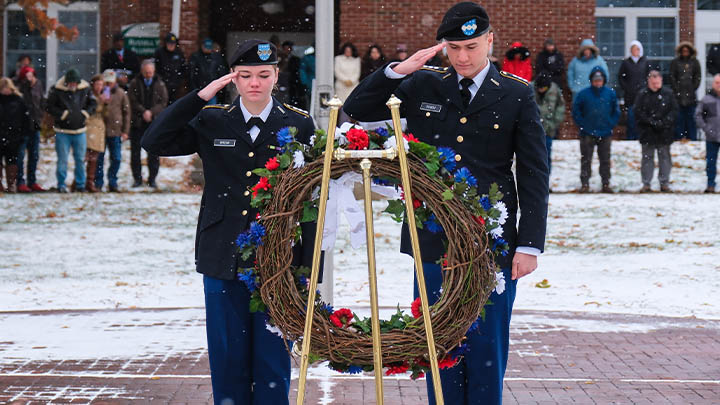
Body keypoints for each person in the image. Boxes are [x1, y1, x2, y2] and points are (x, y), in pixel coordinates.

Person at [343, 3, 549, 404]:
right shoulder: (424, 85)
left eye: (471, 46)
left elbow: (533, 173)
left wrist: (529, 243)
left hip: (492, 242)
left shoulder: (515, 94)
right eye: (454, 47)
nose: (463, 57)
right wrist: (398, 71)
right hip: (432, 237)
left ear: (490, 40)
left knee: (487, 344)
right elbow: (358, 109)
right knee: (439, 344)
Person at [142, 39, 319, 405]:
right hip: (222, 253)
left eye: (263, 75)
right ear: (233, 79)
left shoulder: (299, 124)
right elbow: (154, 140)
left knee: (272, 362)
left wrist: (306, 263)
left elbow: (312, 198)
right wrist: (200, 96)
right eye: (245, 75)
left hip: (277, 258)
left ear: (276, 77)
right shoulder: (212, 119)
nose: (254, 83)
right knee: (227, 360)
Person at [46, 68, 97, 193]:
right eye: (71, 83)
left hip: (80, 131)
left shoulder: (85, 89)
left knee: (80, 160)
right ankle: (61, 184)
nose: (73, 85)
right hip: (62, 131)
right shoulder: (56, 90)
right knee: (62, 160)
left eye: (75, 83)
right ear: (66, 82)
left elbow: (93, 104)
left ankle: (80, 184)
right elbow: (49, 106)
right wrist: (63, 114)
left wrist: (85, 113)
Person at [572, 67, 620, 193]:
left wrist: (610, 124)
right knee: (586, 159)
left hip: (605, 132)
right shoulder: (583, 94)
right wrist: (583, 125)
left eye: (600, 80)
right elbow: (576, 111)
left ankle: (605, 183)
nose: (598, 82)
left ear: (603, 81)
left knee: (605, 160)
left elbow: (616, 112)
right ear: (591, 81)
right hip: (587, 133)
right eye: (595, 80)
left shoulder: (610, 94)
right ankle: (585, 184)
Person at [634, 70, 678, 193]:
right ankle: (646, 183)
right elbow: (638, 112)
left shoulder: (668, 94)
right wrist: (651, 122)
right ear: (649, 81)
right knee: (647, 158)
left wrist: (664, 123)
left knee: (664, 158)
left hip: (664, 132)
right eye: (653, 82)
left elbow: (674, 111)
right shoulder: (642, 95)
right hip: (647, 132)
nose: (655, 84)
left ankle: (664, 183)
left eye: (657, 82)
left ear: (661, 81)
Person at [128, 60, 168, 188]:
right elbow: (132, 101)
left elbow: (163, 102)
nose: (148, 74)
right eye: (146, 72)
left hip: (154, 122)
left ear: (154, 71)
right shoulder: (135, 83)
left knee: (154, 153)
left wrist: (151, 112)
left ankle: (152, 179)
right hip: (138, 123)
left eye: (150, 72)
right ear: (142, 71)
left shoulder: (160, 84)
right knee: (135, 153)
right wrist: (143, 111)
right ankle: (137, 179)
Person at [95, 70, 131, 192]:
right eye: (106, 82)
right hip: (100, 130)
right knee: (99, 158)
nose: (108, 85)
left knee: (116, 158)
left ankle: (112, 182)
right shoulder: (98, 93)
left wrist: (125, 130)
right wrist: (101, 100)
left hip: (115, 131)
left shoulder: (121, 93)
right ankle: (98, 183)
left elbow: (127, 113)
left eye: (111, 82)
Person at [15, 66, 46, 192]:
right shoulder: (20, 87)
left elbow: (40, 102)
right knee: (20, 155)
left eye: (31, 75)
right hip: (22, 126)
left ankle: (32, 181)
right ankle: (20, 182)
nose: (30, 78)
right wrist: (26, 85)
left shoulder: (38, 85)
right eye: (27, 76)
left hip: (35, 124)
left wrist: (41, 115)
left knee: (34, 155)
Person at [0, 78, 33, 193]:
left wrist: (22, 134)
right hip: (2, 135)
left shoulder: (18, 101)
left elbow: (26, 119)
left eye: (7, 87)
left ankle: (11, 184)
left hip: (14, 136)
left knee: (12, 162)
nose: (5, 90)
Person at [532, 71, 565, 175]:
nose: (541, 90)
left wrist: (554, 123)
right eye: (539, 88)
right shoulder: (529, 89)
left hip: (548, 129)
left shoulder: (555, 90)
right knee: (531, 157)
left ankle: (545, 181)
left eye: (544, 88)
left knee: (546, 157)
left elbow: (560, 107)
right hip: (532, 130)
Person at [618, 40, 651, 140]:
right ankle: (631, 137)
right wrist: (627, 87)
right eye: (633, 49)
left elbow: (649, 76)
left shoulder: (645, 62)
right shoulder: (626, 63)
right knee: (631, 118)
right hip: (630, 95)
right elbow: (621, 77)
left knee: (642, 118)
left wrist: (646, 87)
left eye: (637, 49)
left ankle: (641, 137)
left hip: (643, 95)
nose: (635, 51)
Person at [670, 42, 701, 140]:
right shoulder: (675, 62)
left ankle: (692, 139)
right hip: (678, 97)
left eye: (687, 51)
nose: (685, 52)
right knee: (679, 120)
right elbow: (672, 77)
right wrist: (677, 89)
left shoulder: (695, 62)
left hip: (691, 98)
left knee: (691, 121)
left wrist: (692, 88)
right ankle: (679, 139)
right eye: (683, 51)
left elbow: (697, 77)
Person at [695, 74, 720, 193]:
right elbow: (698, 115)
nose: (719, 85)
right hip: (712, 137)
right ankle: (710, 184)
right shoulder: (706, 99)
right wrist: (706, 128)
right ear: (713, 84)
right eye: (717, 82)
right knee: (711, 162)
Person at [189, 38, 229, 104]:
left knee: (211, 109)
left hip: (212, 90)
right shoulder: (196, 57)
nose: (207, 49)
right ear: (202, 46)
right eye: (206, 47)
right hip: (200, 90)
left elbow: (222, 72)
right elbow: (191, 74)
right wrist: (194, 89)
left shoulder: (216, 57)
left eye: (209, 47)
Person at [85, 74, 107, 193]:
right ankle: (82, 181)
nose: (99, 87)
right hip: (90, 126)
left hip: (99, 128)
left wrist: (106, 104)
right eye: (97, 84)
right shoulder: (88, 96)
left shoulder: (104, 97)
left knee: (95, 156)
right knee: (87, 154)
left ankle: (90, 181)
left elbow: (106, 114)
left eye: (101, 85)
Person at [154, 32, 187, 104]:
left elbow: (183, 68)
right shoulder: (159, 53)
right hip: (162, 84)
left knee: (173, 104)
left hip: (175, 85)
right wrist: (161, 79)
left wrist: (178, 80)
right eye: (169, 43)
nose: (171, 45)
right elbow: (156, 67)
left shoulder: (179, 53)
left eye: (173, 44)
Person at [278, 40, 303, 107]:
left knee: (292, 99)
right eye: (285, 49)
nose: (287, 51)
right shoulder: (278, 58)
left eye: (288, 49)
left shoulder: (295, 59)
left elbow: (296, 71)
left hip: (292, 82)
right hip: (280, 82)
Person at [299, 45, 316, 109]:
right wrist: (304, 82)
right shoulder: (307, 58)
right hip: (310, 83)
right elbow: (302, 70)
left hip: (314, 82)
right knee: (310, 102)